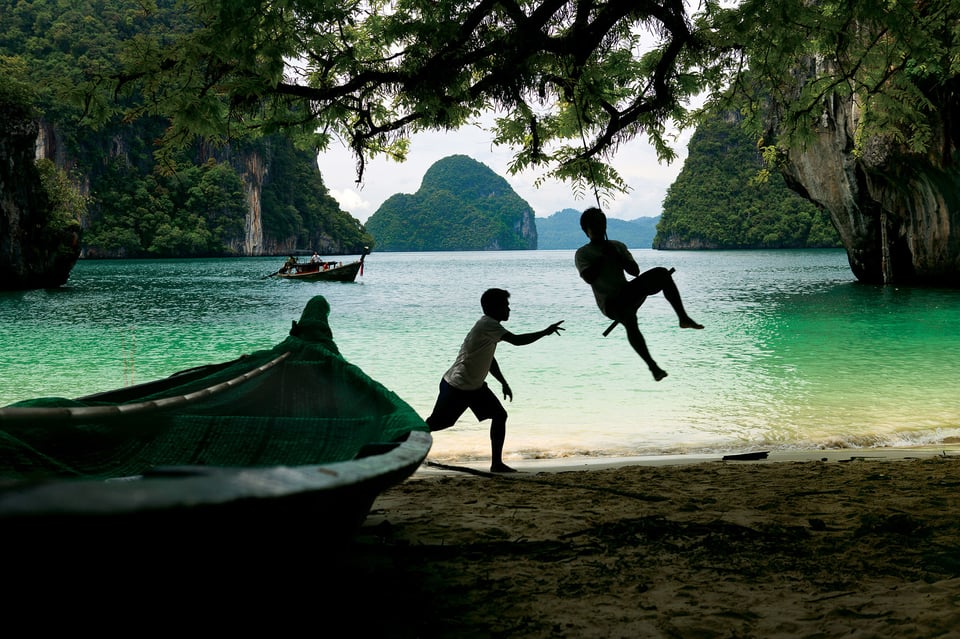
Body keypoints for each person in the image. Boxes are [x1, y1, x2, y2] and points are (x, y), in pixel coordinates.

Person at [426, 288, 565, 473]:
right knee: (438, 423)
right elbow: (517, 341)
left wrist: (503, 382)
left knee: (500, 415)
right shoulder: (488, 325)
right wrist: (545, 332)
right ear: (494, 308)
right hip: (458, 386)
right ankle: (395, 441)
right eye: (506, 306)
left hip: (474, 387)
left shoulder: (488, 328)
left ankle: (496, 464)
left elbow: (489, 359)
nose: (509, 309)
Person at [575, 207, 703, 382]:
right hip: (610, 303)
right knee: (629, 319)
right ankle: (653, 367)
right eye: (594, 225)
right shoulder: (582, 254)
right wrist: (603, 257)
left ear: (605, 225)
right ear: (586, 230)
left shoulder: (617, 246)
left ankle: (683, 318)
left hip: (627, 292)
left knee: (662, 273)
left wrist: (617, 256)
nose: (598, 228)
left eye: (601, 224)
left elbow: (635, 272)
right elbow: (589, 278)